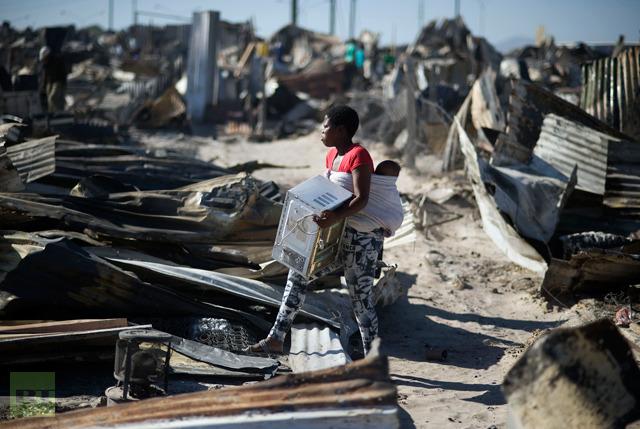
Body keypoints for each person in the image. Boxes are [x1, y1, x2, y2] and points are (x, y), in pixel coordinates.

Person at [246, 104, 385, 358]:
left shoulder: (359, 156)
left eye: (325, 126)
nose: (321, 131)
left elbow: (361, 199)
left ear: (341, 130)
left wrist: (333, 216)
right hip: (334, 238)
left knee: (361, 302)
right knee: (297, 275)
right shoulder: (332, 157)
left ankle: (373, 359)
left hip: (361, 241)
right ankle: (276, 338)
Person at [39, 46, 67, 113]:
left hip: (58, 81)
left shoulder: (57, 60)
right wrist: (43, 86)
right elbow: (45, 75)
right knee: (49, 99)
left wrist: (63, 83)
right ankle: (51, 113)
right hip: (50, 82)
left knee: (53, 98)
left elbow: (63, 72)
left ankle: (58, 113)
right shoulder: (45, 64)